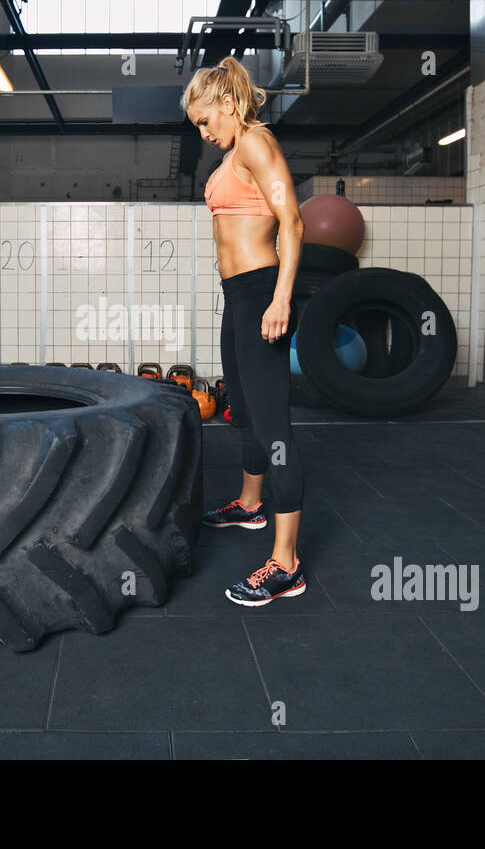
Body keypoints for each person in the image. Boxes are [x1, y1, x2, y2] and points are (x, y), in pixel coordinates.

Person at [181, 56, 306, 607]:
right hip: (239, 298)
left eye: (206, 121)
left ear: (228, 105)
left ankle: (286, 564)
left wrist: (280, 298)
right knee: (244, 410)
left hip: (261, 295)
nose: (204, 134)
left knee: (273, 427)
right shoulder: (236, 151)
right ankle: (251, 504)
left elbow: (293, 222)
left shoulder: (255, 141)